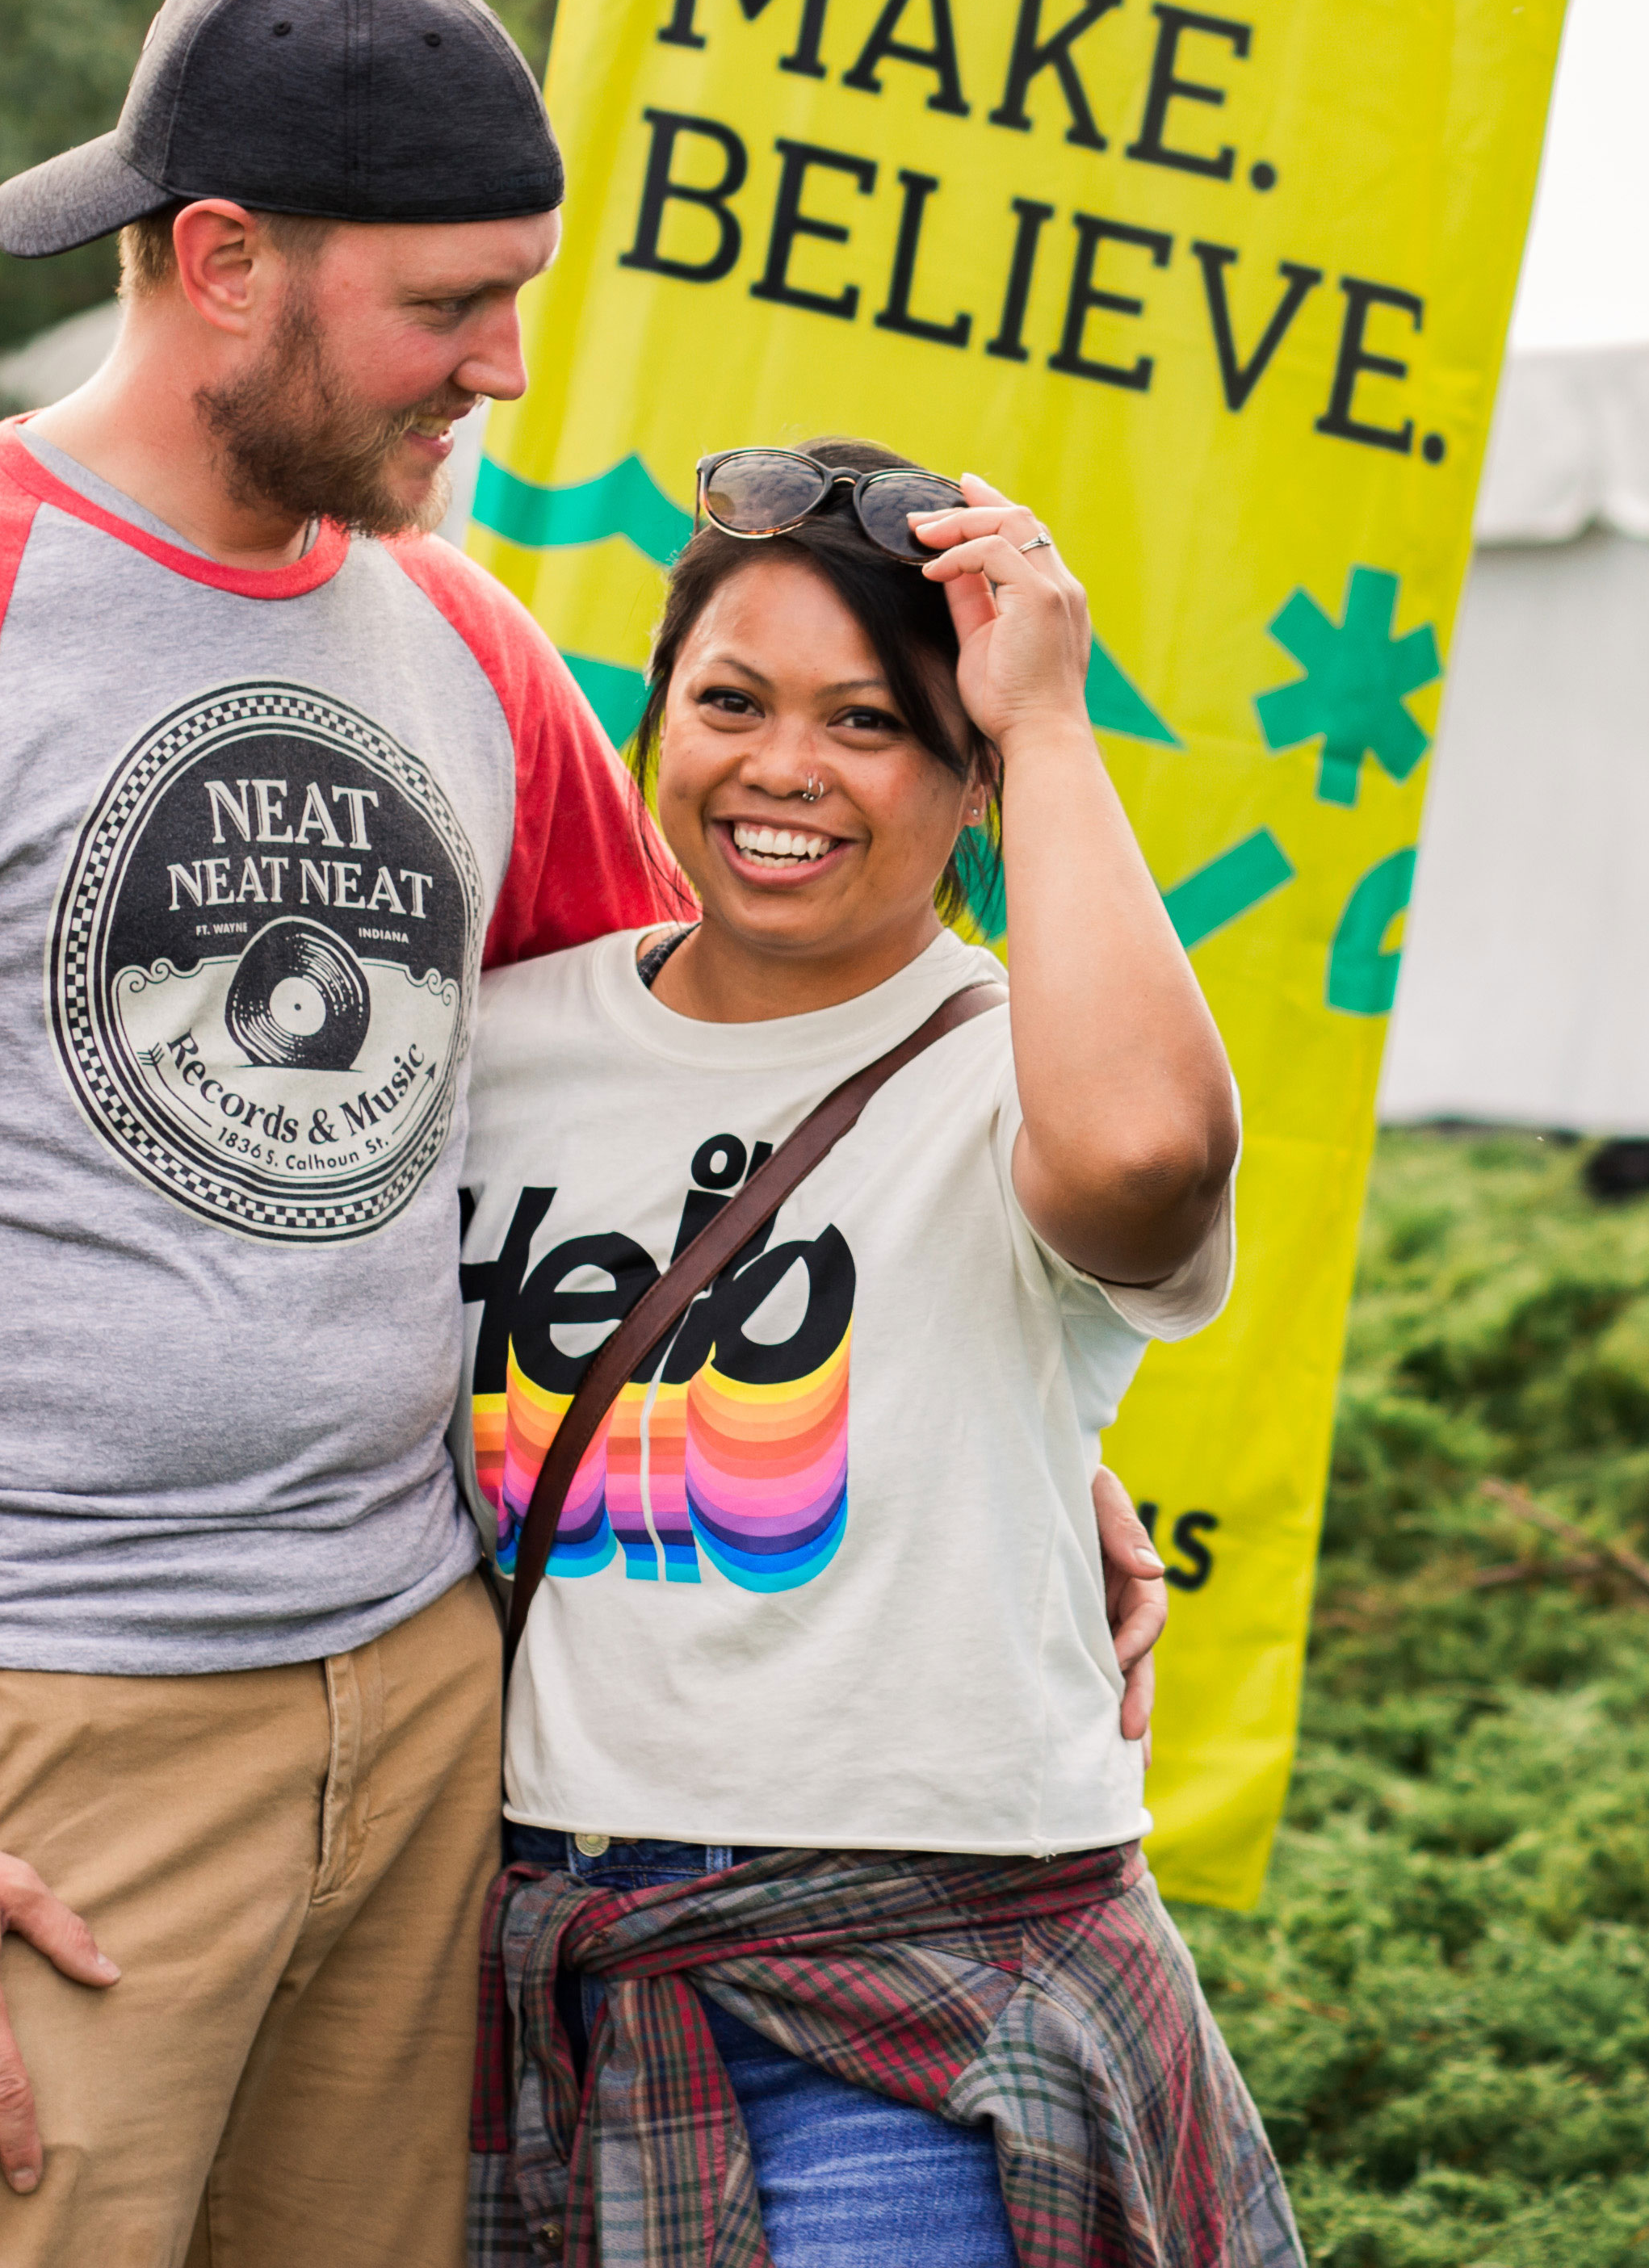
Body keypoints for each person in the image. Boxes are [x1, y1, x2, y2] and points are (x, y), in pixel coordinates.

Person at [0, 0, 1168, 2268]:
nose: (507, 369)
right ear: (222, 263)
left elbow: (692, 1078)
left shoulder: (460, 640)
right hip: (30, 1734)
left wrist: (1020, 1437)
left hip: (433, 1727)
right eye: (452, 305)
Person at [462, 441, 1298, 2268]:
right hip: (541, 1991)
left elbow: (1149, 1162)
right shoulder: (498, 1048)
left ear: (965, 772)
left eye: (869, 722)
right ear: (654, 717)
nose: (784, 768)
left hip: (918, 1994)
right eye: (732, 700)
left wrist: (1053, 722)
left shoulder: (1029, 1061)